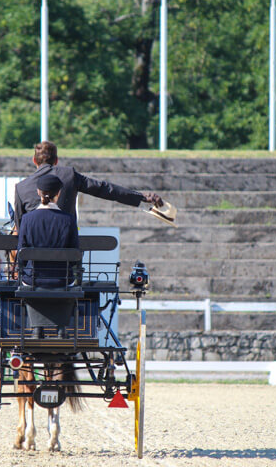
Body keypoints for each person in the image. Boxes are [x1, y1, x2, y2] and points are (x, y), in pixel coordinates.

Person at [13, 140, 164, 229]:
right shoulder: (69, 175)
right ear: (56, 161)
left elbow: (19, 229)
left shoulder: (20, 188)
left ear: (34, 160)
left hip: (32, 265)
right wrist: (141, 197)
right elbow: (105, 189)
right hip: (67, 260)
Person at [17, 174, 79, 338]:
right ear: (58, 193)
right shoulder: (68, 220)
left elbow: (21, 255)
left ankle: (37, 328)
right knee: (68, 281)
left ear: (38, 192)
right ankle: (61, 328)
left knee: (26, 280)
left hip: (33, 280)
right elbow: (75, 254)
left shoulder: (27, 219)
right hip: (62, 279)